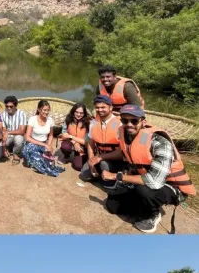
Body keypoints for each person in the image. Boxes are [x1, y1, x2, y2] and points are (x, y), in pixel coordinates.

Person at [98, 104, 196, 234]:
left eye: (134, 121)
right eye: (125, 120)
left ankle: (153, 215)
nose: (129, 124)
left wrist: (117, 176)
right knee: (112, 204)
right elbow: (132, 157)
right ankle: (145, 205)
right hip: (148, 181)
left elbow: (154, 181)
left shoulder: (160, 142)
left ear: (143, 121)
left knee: (143, 189)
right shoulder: (126, 135)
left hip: (172, 186)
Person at [80, 95, 121, 183]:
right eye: (97, 107)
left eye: (103, 107)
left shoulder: (120, 124)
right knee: (84, 175)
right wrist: (91, 160)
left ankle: (115, 176)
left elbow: (122, 152)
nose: (100, 110)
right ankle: (100, 173)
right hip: (99, 156)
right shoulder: (93, 123)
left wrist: (99, 158)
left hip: (116, 159)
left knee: (104, 165)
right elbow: (91, 143)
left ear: (111, 107)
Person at [22, 100, 64, 177]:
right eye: (44, 110)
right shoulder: (32, 119)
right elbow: (27, 137)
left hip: (44, 143)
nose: (46, 112)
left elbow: (51, 135)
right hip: (32, 143)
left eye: (48, 110)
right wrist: (44, 145)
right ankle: (33, 161)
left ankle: (37, 161)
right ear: (39, 110)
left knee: (49, 162)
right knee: (34, 156)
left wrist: (49, 145)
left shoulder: (50, 120)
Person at [58, 103, 91, 171]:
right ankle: (66, 156)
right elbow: (64, 135)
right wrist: (75, 142)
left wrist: (70, 137)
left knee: (78, 167)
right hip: (71, 142)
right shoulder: (68, 119)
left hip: (82, 146)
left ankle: (81, 156)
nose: (79, 115)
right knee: (65, 146)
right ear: (73, 111)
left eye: (81, 113)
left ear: (84, 113)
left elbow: (85, 141)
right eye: (77, 112)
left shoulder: (88, 123)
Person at [1, 96, 27, 164]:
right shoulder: (3, 114)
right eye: (7, 106)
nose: (8, 108)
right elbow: (4, 131)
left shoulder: (21, 114)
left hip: (18, 135)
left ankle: (16, 153)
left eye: (11, 106)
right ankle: (7, 150)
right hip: (8, 136)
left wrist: (8, 132)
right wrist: (3, 147)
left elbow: (22, 131)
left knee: (19, 139)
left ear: (15, 106)